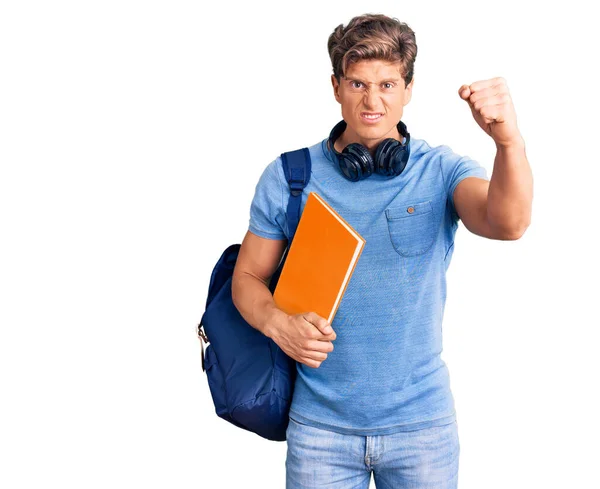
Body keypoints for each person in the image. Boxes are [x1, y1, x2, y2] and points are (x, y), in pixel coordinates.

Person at [231, 13, 533, 489]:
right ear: (335, 87)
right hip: (320, 432)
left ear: (408, 89)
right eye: (357, 83)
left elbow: (509, 223)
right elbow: (246, 278)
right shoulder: (290, 177)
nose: (372, 100)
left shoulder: (441, 170)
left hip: (422, 430)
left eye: (387, 84)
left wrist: (508, 141)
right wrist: (277, 323)